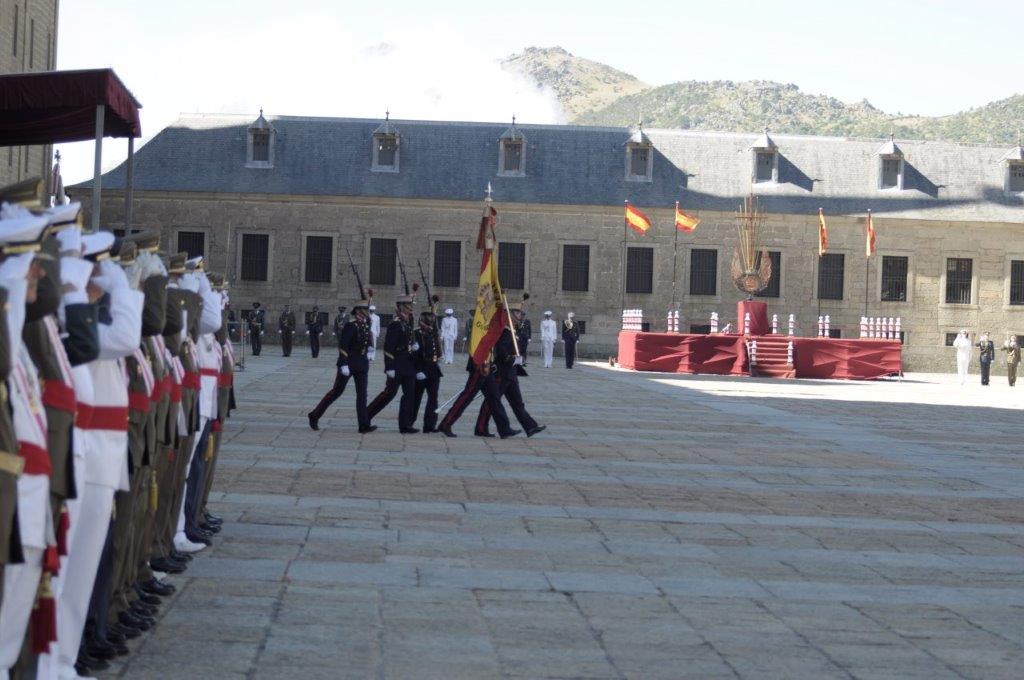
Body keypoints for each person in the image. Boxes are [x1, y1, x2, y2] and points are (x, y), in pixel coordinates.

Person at [475, 301, 545, 438]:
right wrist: (514, 359)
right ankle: (481, 428)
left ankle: (530, 427)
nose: (520, 316)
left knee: (517, 403)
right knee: (492, 402)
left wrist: (521, 358)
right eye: (518, 313)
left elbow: (518, 350)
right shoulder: (505, 332)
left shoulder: (514, 332)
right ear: (510, 315)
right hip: (502, 372)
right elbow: (500, 352)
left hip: (511, 373)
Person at [307, 297, 374, 433]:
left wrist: (370, 348)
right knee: (336, 392)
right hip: (348, 364)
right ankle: (314, 415)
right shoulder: (351, 325)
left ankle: (363, 425)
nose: (368, 312)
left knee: (362, 395)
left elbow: (366, 339)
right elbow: (343, 346)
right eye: (365, 309)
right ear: (359, 311)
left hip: (362, 364)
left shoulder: (365, 324)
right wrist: (343, 364)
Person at [381, 295, 419, 433]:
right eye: (409, 306)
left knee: (410, 395)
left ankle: (405, 425)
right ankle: (367, 414)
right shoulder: (395, 324)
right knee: (389, 394)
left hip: (408, 363)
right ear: (403, 306)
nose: (411, 308)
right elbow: (388, 347)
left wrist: (413, 344)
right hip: (396, 362)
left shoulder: (407, 322)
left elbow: (408, 338)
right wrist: (389, 367)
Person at [412, 310, 443, 432]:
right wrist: (418, 370)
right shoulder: (415, 333)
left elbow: (435, 350)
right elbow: (413, 356)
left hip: (433, 370)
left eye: (432, 320)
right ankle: (409, 422)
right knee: (416, 398)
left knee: (433, 398)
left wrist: (439, 357)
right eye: (428, 320)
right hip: (420, 371)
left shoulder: (433, 332)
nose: (430, 322)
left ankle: (429, 425)